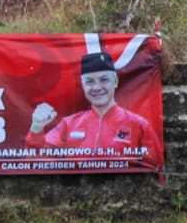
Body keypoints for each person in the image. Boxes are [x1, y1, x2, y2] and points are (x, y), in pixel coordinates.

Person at [26, 50, 162, 162]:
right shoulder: (68, 124)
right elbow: (36, 161)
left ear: (115, 81)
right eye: (89, 81)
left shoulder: (139, 125)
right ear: (83, 85)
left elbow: (154, 168)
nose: (97, 87)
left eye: (104, 80)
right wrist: (36, 128)